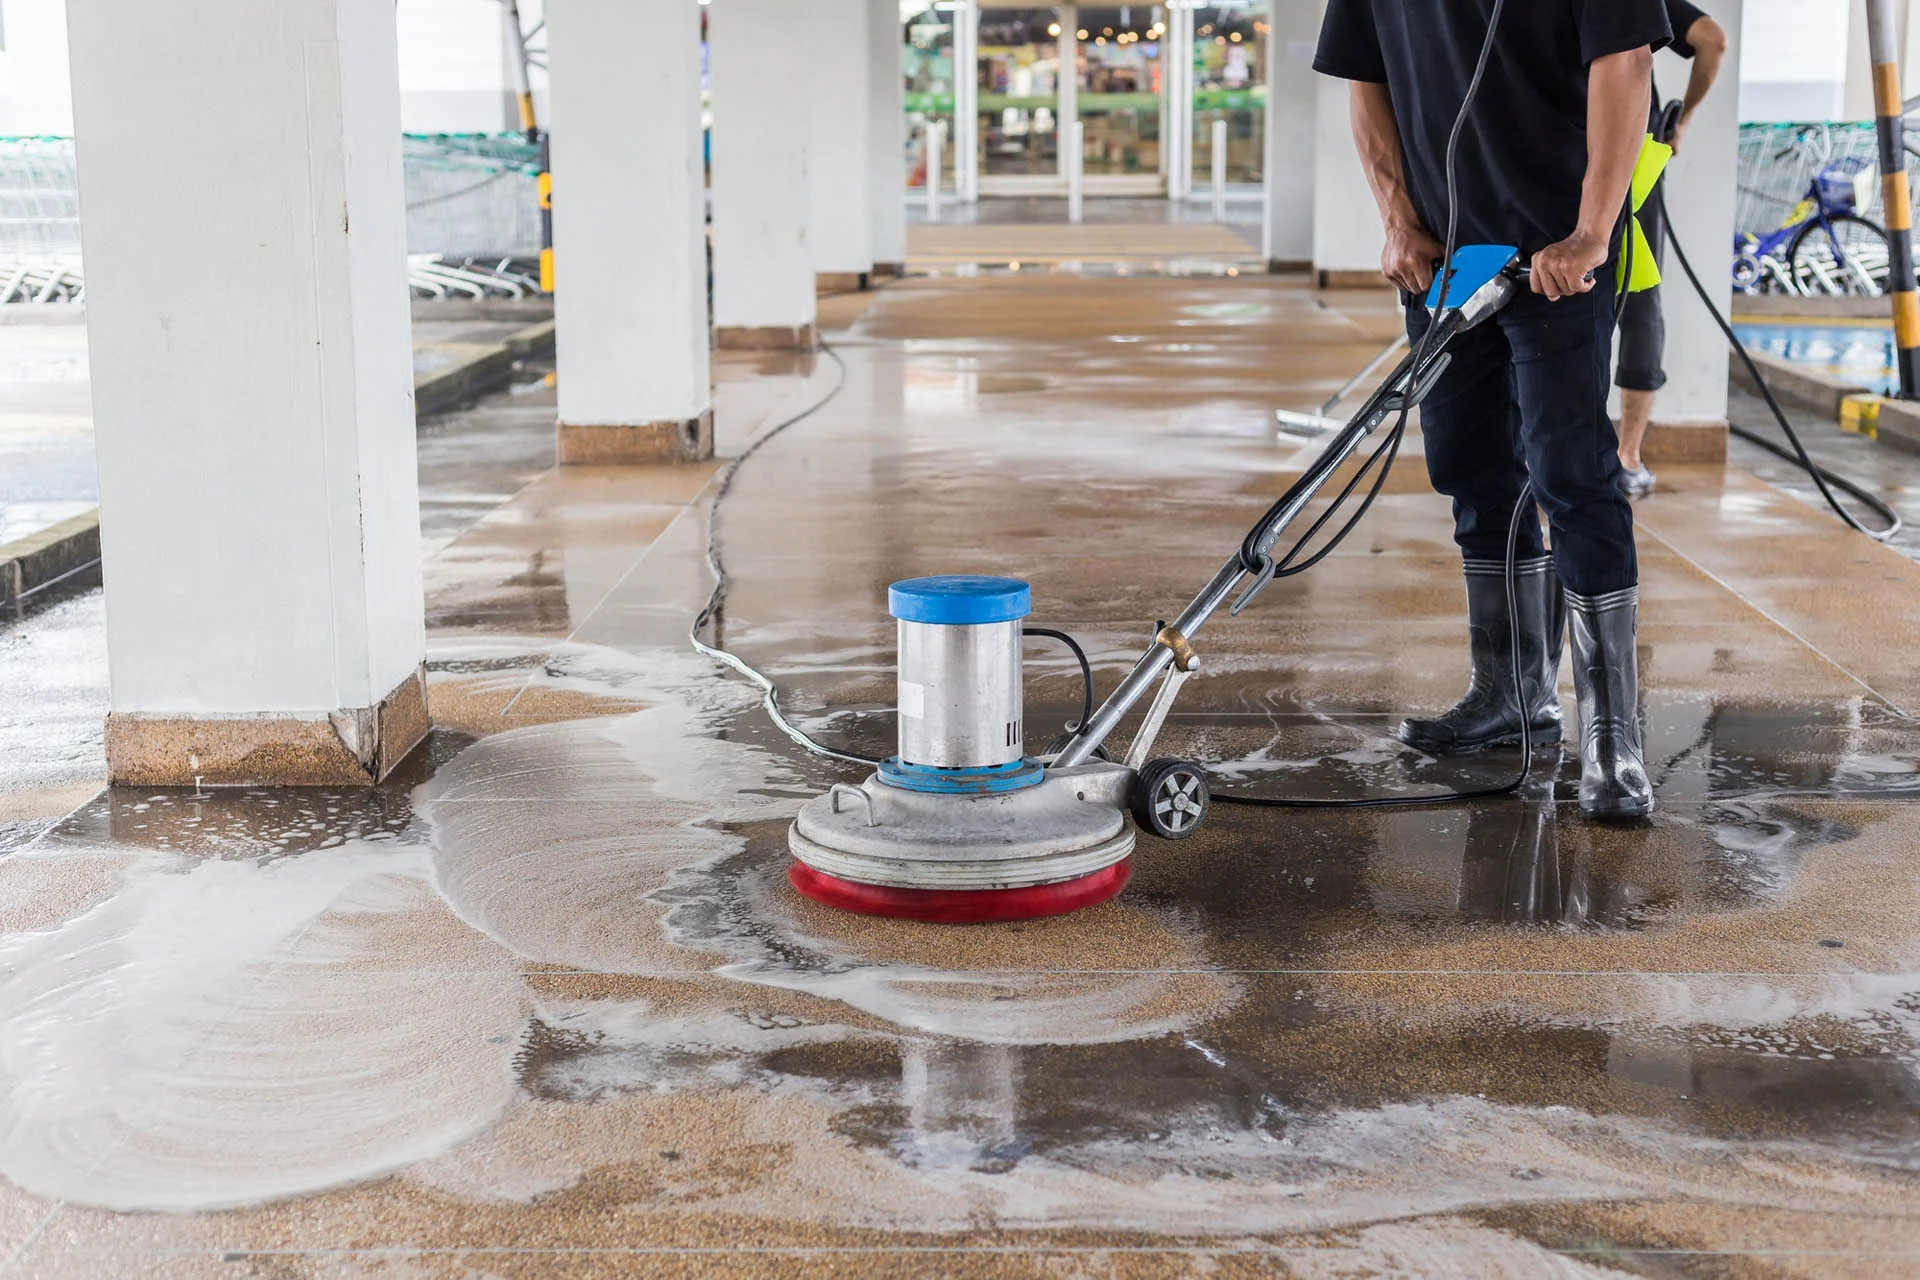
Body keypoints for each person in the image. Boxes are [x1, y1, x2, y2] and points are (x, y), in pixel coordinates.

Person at [1314, 0, 1671, 819]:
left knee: (1574, 477)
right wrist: (1396, 219)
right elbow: (1364, 76)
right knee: (1472, 470)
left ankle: (1613, 739)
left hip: (1557, 256)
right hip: (1446, 256)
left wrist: (1591, 231)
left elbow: (1627, 64)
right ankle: (1512, 691)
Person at [1616, 1, 1730, 498]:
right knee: (1637, 300)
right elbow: (1712, 38)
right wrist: (1681, 123)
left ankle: (1541, 454)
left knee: (1546, 298)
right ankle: (1626, 456)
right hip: (1629, 160)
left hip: (1549, 161)